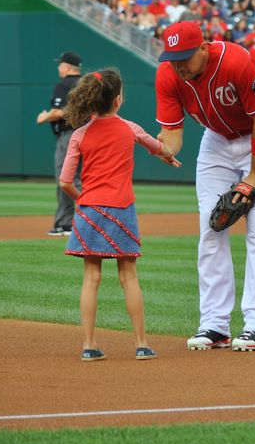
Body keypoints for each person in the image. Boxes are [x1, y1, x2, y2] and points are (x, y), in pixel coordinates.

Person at [155, 21, 255, 352]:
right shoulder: (169, 76)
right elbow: (173, 132)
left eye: (184, 56)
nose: (178, 64)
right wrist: (164, 148)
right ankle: (215, 324)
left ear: (203, 48)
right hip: (216, 140)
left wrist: (254, 175)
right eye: (172, 57)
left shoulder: (235, 61)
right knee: (210, 226)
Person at [59, 68, 180, 361]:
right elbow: (160, 147)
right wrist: (167, 155)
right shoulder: (129, 128)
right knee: (129, 277)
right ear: (116, 100)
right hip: (122, 210)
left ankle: (89, 346)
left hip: (90, 211)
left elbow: (65, 181)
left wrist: (81, 200)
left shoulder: (80, 134)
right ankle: (141, 344)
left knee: (91, 278)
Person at [36, 51, 83, 237]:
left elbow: (59, 112)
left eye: (60, 64)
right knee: (81, 178)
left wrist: (43, 117)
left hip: (69, 136)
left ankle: (65, 224)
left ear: (66, 67)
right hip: (89, 135)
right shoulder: (87, 83)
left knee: (66, 180)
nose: (58, 68)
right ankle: (96, 217)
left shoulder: (64, 85)